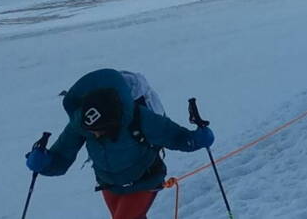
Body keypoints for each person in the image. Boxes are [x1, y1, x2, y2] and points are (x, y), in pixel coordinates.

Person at [24, 69, 215, 219]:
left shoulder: (139, 117)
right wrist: (44, 162)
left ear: (114, 121)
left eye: (100, 130)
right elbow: (62, 156)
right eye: (91, 130)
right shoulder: (81, 122)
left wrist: (197, 139)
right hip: (109, 185)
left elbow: (175, 136)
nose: (95, 134)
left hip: (144, 180)